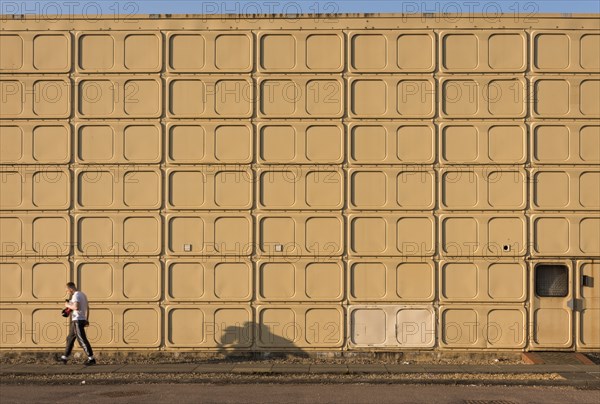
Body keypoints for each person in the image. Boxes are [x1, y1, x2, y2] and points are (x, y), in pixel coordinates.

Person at [58, 282, 96, 365]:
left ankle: (91, 359)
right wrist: (86, 319)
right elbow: (87, 308)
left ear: (70, 289)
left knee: (81, 340)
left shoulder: (76, 295)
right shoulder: (83, 295)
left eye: (67, 290)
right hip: (81, 319)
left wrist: (67, 305)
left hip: (77, 320)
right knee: (70, 338)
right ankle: (65, 357)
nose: (67, 292)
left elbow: (76, 307)